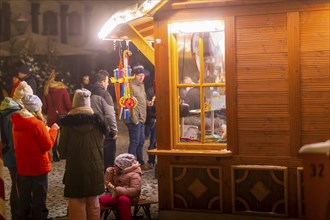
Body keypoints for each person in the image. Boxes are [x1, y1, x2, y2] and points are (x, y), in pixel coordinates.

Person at [57, 89, 108, 220]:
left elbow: (62, 150)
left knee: (77, 201)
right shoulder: (99, 123)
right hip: (95, 168)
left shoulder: (68, 125)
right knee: (94, 202)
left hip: (75, 167)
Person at [11, 94, 59, 220]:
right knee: (39, 199)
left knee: (25, 197)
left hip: (23, 166)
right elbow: (47, 145)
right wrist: (53, 130)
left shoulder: (16, 121)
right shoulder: (36, 124)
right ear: (36, 108)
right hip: (38, 167)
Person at [87, 69, 118, 170]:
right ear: (103, 81)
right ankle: (107, 183)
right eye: (107, 81)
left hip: (90, 131)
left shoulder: (88, 92)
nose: (108, 84)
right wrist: (114, 131)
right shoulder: (104, 94)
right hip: (105, 132)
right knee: (108, 161)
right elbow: (110, 115)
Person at [99, 153, 142, 220]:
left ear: (122, 166)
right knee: (100, 200)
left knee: (122, 199)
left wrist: (119, 190)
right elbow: (110, 187)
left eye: (116, 165)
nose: (114, 166)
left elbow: (135, 191)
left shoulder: (134, 174)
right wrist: (108, 175)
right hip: (116, 195)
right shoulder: (117, 172)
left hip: (130, 197)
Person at [42, 70, 72, 161]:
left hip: (51, 116)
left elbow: (45, 106)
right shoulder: (63, 90)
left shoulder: (47, 89)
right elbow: (68, 105)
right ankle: (63, 153)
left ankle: (55, 154)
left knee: (53, 134)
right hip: (62, 116)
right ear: (61, 81)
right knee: (64, 135)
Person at [126, 65, 151, 171]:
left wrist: (147, 102)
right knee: (135, 141)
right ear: (134, 75)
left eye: (142, 75)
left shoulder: (141, 85)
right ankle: (129, 165)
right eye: (139, 75)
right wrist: (134, 119)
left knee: (141, 142)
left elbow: (141, 99)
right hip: (135, 120)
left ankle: (140, 163)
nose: (141, 77)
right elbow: (128, 103)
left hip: (142, 119)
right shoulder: (130, 86)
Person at [144, 73, 156, 168]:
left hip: (154, 118)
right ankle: (151, 161)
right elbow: (148, 106)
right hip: (155, 118)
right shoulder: (151, 91)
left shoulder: (149, 90)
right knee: (153, 141)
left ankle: (151, 161)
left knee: (153, 141)